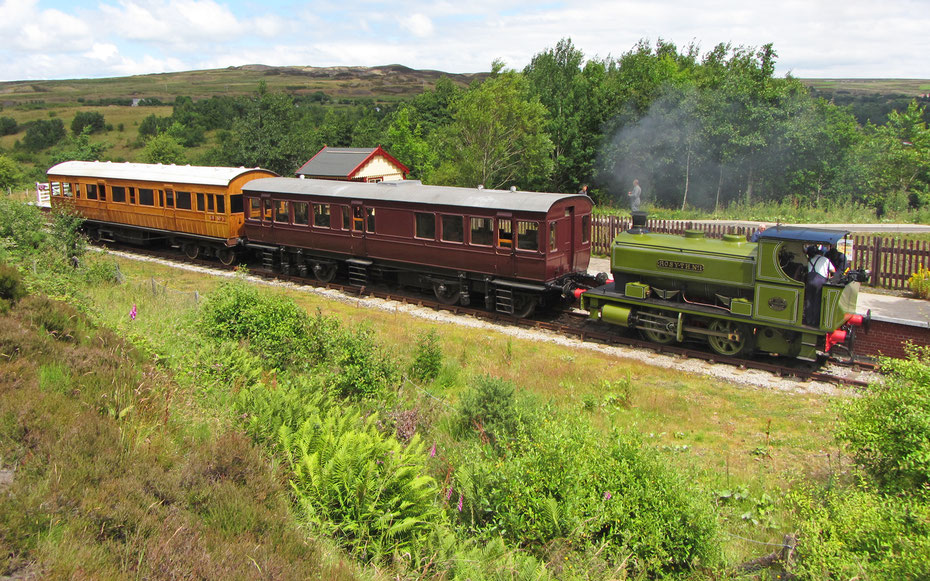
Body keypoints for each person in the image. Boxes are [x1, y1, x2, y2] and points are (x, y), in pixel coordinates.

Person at [804, 245, 836, 325]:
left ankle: (808, 319)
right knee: (817, 301)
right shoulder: (826, 260)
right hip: (820, 281)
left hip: (810, 280)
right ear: (821, 254)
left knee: (809, 300)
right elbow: (833, 270)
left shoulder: (811, 260)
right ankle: (815, 321)